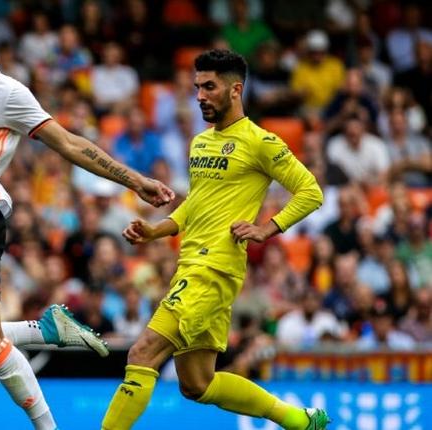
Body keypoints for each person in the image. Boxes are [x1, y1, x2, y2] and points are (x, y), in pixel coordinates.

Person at [0, 13, 173, 430]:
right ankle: (45, 328)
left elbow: (69, 143)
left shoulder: (8, 94)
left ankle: (47, 426)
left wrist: (136, 180)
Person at [101, 50, 330, 430]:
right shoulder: (200, 143)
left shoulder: (261, 142)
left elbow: (310, 191)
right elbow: (196, 205)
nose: (200, 96)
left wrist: (266, 228)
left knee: (141, 353)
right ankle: (298, 420)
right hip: (193, 266)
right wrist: (156, 230)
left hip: (213, 269)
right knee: (197, 384)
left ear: (235, 89)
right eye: (197, 87)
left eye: (210, 87)